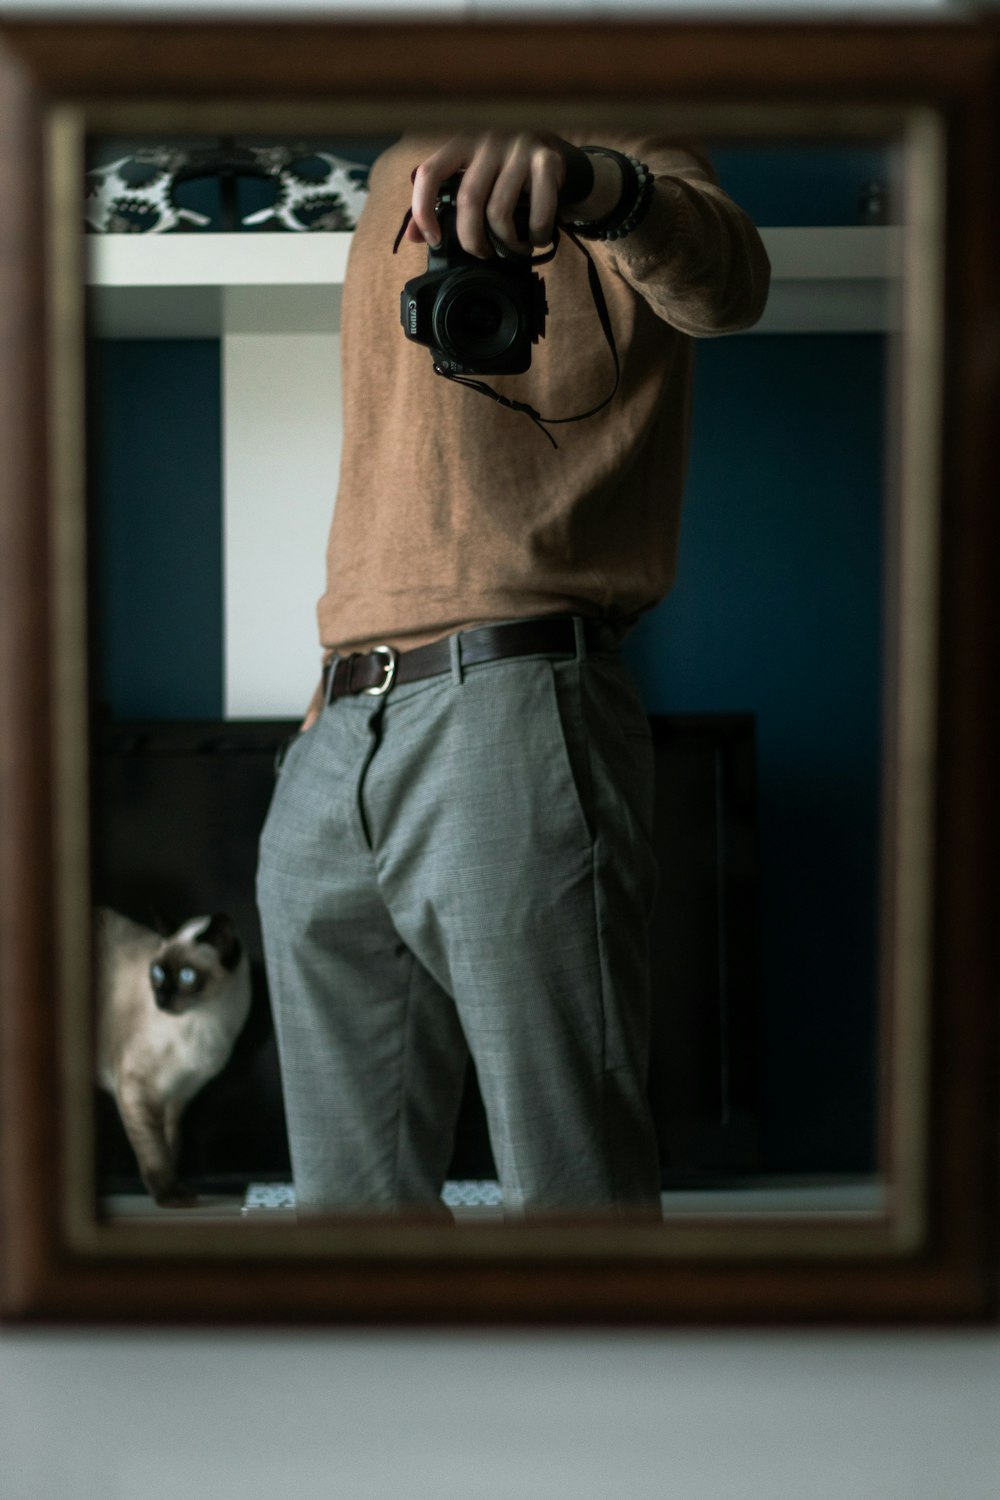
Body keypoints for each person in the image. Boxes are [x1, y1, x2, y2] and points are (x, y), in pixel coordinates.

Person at [256, 129, 770, 1218]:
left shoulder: (626, 146)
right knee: (345, 1218)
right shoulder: (391, 164)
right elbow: (383, 479)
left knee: (569, 1193)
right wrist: (320, 712)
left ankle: (598, 1394)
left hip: (511, 695)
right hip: (338, 723)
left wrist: (597, 186)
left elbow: (729, 286)